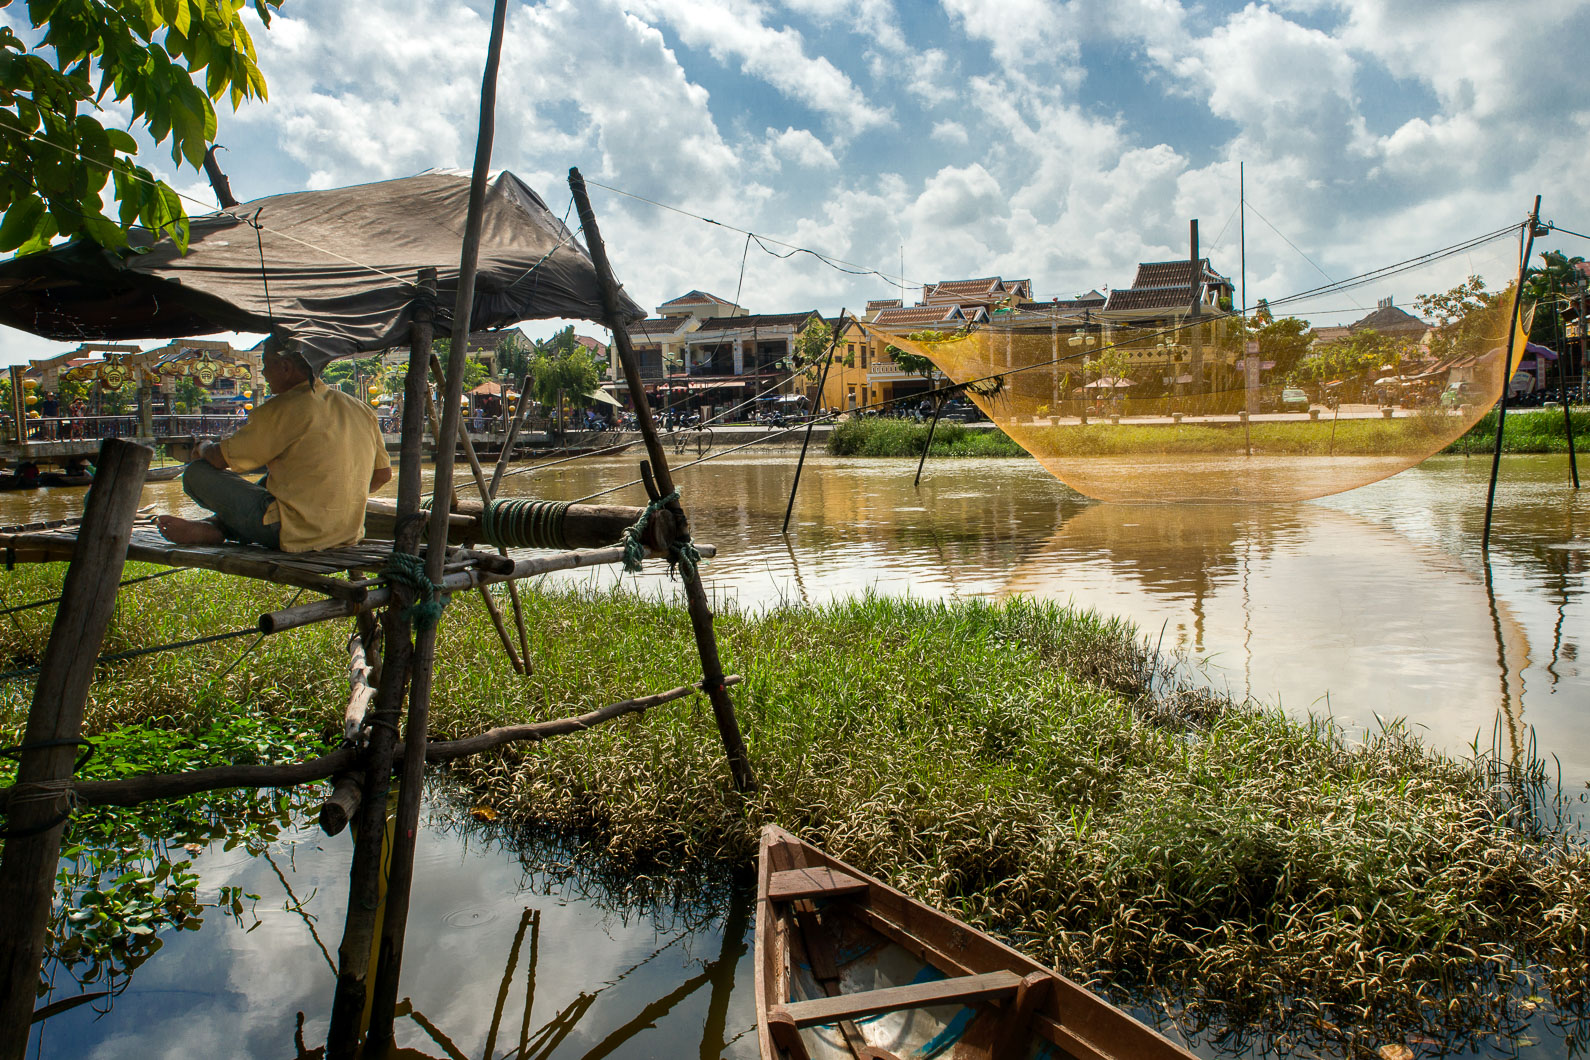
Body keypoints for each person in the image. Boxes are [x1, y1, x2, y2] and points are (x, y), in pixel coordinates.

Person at [154, 341, 392, 551]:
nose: (264, 373)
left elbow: (219, 459)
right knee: (273, 478)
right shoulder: (360, 408)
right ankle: (214, 527)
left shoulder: (285, 407)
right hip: (347, 532)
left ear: (285, 367)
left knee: (196, 472)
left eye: (266, 365)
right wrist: (338, 500)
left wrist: (204, 447)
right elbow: (382, 475)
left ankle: (217, 528)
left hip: (292, 534)